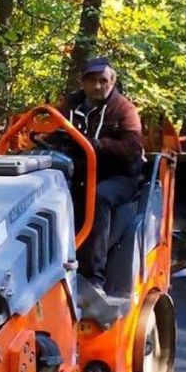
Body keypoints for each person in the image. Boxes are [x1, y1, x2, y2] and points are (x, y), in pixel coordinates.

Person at [58, 57, 144, 294]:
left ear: (112, 81)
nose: (98, 86)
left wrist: (97, 145)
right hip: (81, 173)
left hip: (119, 176)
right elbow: (52, 127)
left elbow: (133, 147)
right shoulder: (71, 105)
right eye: (92, 80)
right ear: (82, 82)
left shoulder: (123, 109)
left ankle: (94, 277)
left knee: (97, 197)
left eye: (103, 80)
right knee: (50, 191)